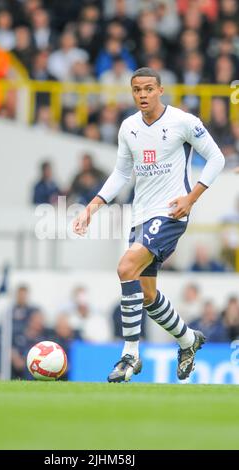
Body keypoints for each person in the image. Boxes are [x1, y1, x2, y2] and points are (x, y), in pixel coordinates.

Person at [73, 67, 225, 383]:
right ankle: (187, 340)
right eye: (137, 90)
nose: (142, 95)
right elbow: (121, 173)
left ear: (160, 90)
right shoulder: (128, 127)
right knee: (146, 294)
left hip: (170, 214)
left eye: (148, 89)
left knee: (125, 267)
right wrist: (93, 206)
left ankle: (130, 355)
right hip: (140, 215)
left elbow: (216, 159)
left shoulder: (183, 122)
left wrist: (191, 198)